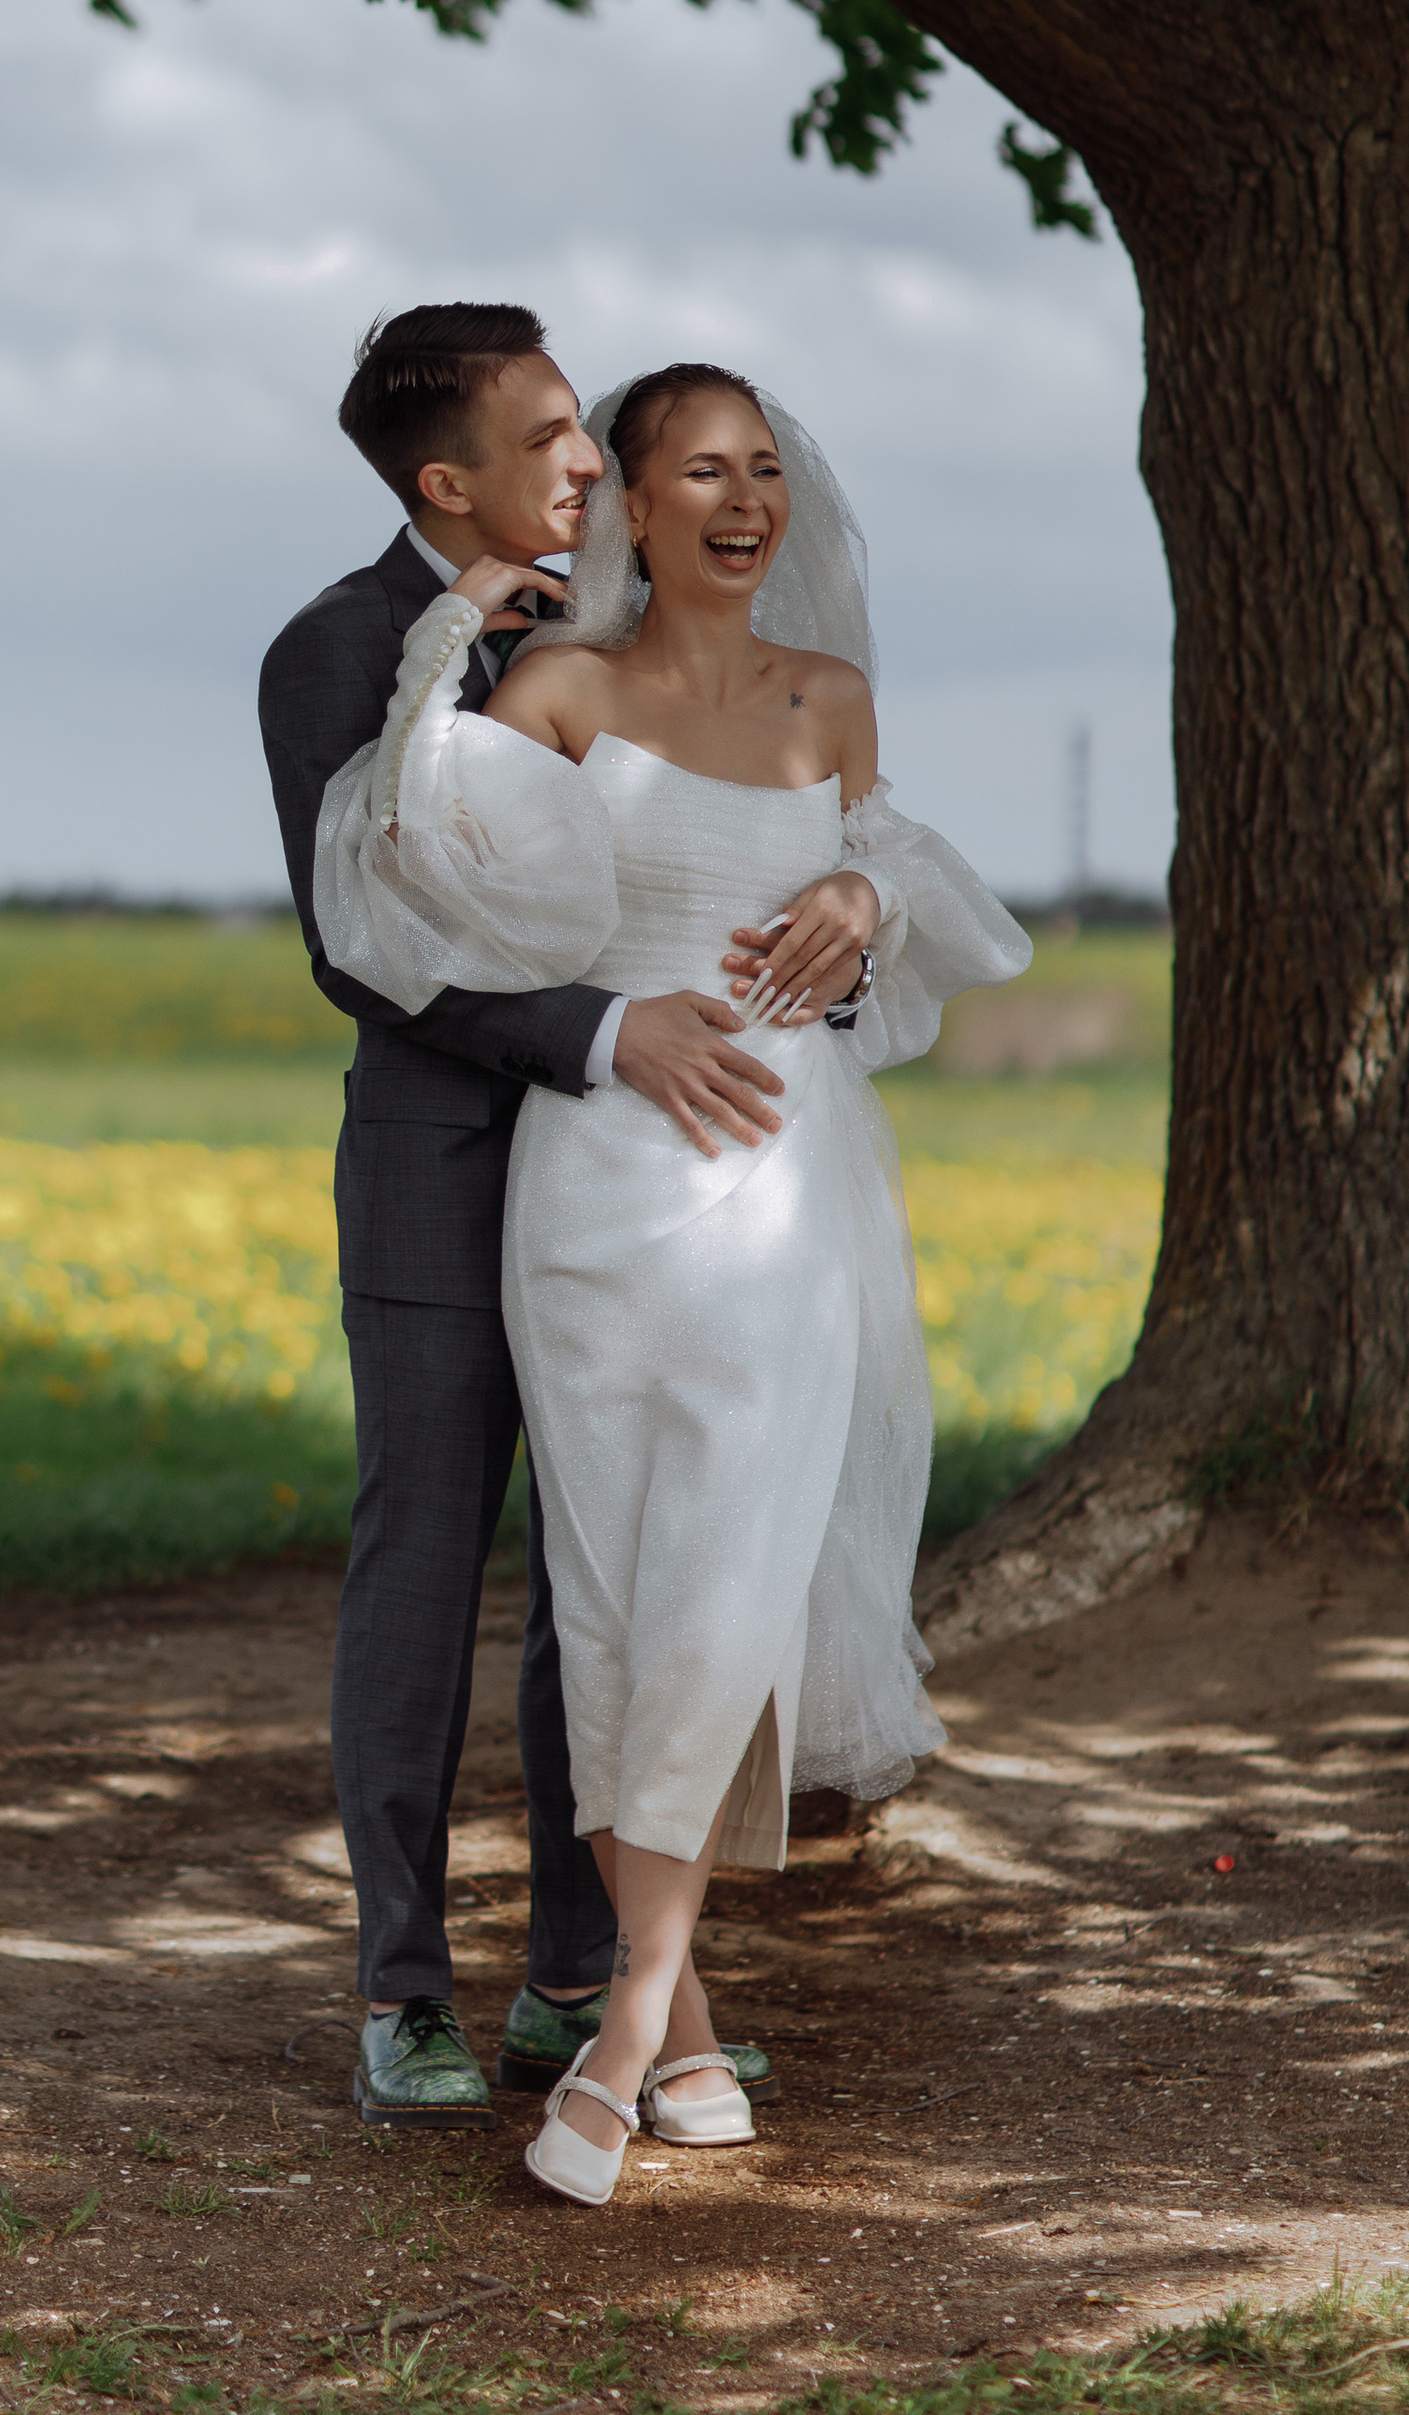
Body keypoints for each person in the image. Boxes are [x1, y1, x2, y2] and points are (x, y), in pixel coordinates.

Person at [312, 361, 1030, 2204]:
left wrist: (862, 905)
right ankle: (677, 2018)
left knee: (736, 1577)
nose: (742, 500)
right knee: (614, 1591)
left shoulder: (835, 703)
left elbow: (885, 941)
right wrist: (444, 641)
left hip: (785, 1187)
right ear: (628, 501)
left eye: (765, 470)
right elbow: (394, 880)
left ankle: (628, 2023)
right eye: (697, 469)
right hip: (596, 1193)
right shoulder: (552, 687)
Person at [259, 308, 803, 2129]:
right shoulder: (331, 653)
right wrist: (599, 1034)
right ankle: (400, 1983)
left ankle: (577, 1979)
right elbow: (368, 956)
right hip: (438, 1160)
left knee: (609, 1574)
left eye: (587, 435)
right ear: (448, 479)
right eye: (555, 435)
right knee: (422, 1561)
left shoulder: (613, 636)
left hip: (628, 1183)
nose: (591, 464)